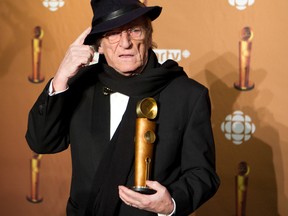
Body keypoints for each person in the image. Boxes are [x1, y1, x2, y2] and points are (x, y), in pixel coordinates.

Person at [25, 0, 220, 215]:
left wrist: (171, 202)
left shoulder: (188, 95)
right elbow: (42, 142)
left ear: (149, 36)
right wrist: (61, 77)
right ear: (99, 44)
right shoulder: (79, 85)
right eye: (113, 34)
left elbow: (202, 173)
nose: (125, 43)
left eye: (134, 30)